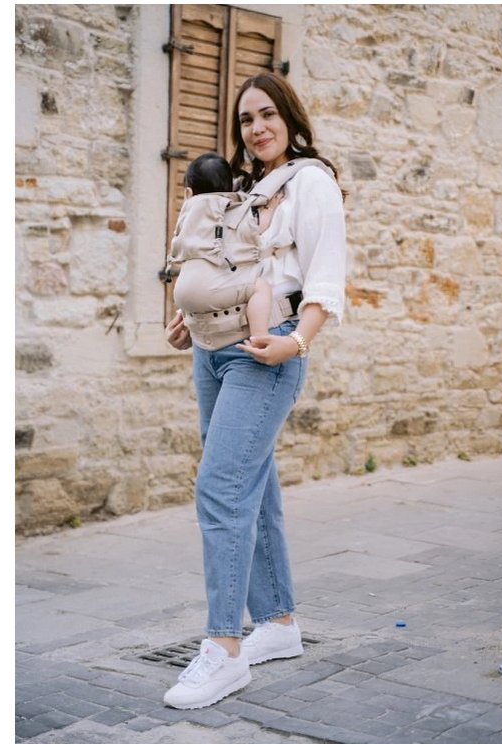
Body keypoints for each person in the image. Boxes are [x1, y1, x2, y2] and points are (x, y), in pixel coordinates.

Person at [163, 72, 347, 709]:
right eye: (246, 119)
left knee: (221, 487)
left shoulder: (311, 183)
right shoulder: (243, 190)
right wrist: (191, 317)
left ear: (290, 118)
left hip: (268, 350)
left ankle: (224, 650)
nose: (257, 128)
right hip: (214, 347)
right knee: (252, 482)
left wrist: (298, 342)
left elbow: (325, 276)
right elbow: (227, 267)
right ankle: (277, 622)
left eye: (268, 114)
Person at [168, 151, 274, 341]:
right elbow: (256, 227)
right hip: (213, 292)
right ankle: (260, 337)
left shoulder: (186, 215)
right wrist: (271, 209)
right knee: (261, 287)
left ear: (188, 193)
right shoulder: (230, 212)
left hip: (183, 293)